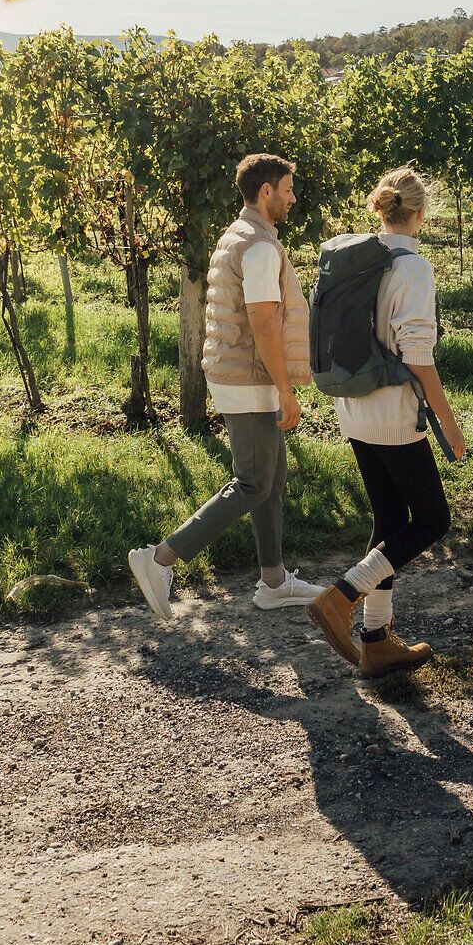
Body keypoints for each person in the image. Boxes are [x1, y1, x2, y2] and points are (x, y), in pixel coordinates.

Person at [128, 152, 324, 622]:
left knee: (271, 479)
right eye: (288, 189)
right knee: (254, 482)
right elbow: (261, 320)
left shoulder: (241, 237)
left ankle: (274, 582)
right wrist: (286, 389)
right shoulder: (257, 246)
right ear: (265, 192)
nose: (293, 197)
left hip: (240, 373)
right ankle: (158, 559)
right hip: (251, 378)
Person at [307, 165, 465, 676]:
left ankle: (376, 640)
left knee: (390, 521)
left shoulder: (358, 259)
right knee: (432, 520)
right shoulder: (413, 269)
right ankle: (341, 596)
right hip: (395, 412)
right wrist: (448, 420)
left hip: (353, 407)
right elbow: (418, 357)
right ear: (420, 214)